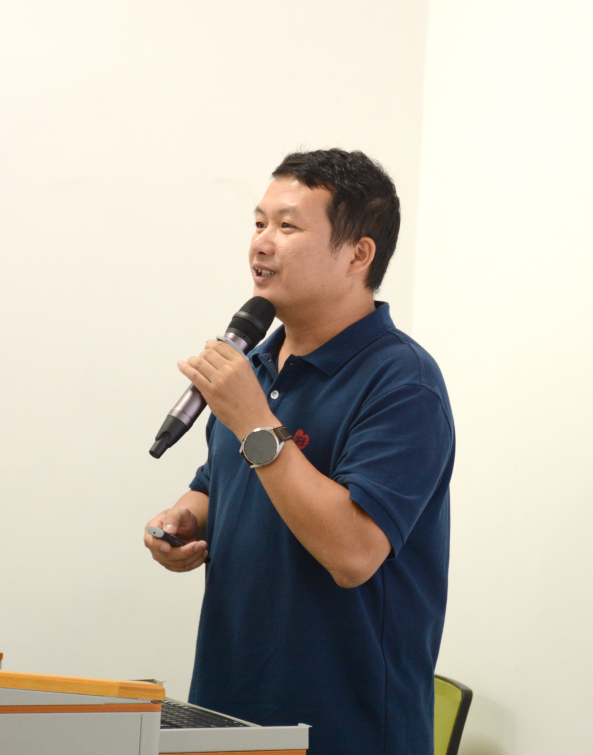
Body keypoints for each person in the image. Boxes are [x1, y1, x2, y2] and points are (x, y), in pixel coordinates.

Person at [144, 148, 455, 755]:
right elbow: (218, 484)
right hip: (227, 711)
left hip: (346, 729)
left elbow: (354, 553)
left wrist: (255, 420)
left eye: (287, 226)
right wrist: (182, 520)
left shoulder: (403, 383)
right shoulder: (255, 363)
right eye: (259, 222)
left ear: (358, 255)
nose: (261, 243)